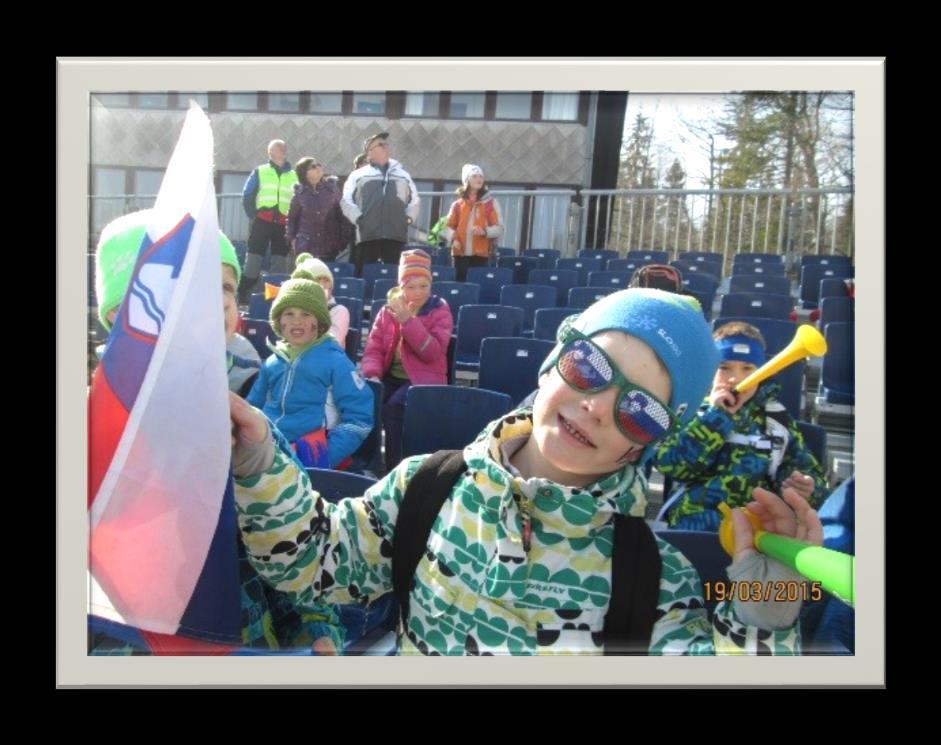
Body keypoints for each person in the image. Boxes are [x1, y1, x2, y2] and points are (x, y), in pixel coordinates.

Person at [229, 288, 823, 655]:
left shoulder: (655, 581)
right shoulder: (428, 488)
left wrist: (761, 619)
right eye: (589, 366)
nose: (597, 405)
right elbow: (315, 563)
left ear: (643, 446)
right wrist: (261, 461)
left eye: (639, 410)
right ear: (550, 364)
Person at [90, 209, 344, 654]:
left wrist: (317, 630)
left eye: (226, 287)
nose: (219, 301)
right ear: (122, 313)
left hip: (245, 645)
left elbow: (300, 554)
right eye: (189, 285)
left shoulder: (252, 432)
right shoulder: (89, 433)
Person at [654, 320, 828, 532]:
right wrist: (717, 417)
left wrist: (805, 486)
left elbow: (808, 471)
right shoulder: (692, 410)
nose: (736, 378)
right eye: (724, 368)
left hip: (759, 529)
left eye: (748, 369)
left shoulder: (777, 420)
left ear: (761, 373)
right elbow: (672, 465)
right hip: (695, 524)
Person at [246, 274, 373, 470]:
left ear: (320, 323)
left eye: (306, 314)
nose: (297, 321)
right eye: (289, 314)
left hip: (313, 458)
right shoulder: (272, 362)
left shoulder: (335, 362)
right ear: (279, 322)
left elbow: (360, 418)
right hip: (269, 452)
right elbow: (252, 408)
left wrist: (324, 455)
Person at [360, 249, 452, 473]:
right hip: (391, 377)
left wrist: (408, 321)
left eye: (424, 286)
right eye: (411, 286)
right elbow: (374, 348)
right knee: (366, 400)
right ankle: (368, 464)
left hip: (423, 379)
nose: (418, 292)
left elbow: (432, 352)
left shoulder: (439, 309)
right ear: (401, 286)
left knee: (394, 407)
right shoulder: (386, 310)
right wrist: (372, 374)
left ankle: (394, 469)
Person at [341, 131, 419, 276]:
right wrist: (358, 218)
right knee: (365, 275)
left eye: (386, 144)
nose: (385, 146)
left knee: (392, 278)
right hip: (367, 236)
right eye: (380, 145)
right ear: (369, 153)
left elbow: (414, 201)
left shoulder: (403, 174)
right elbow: (346, 200)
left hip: (395, 236)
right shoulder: (358, 175)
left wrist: (407, 219)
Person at [238, 139, 298, 303]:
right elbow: (247, 194)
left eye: (280, 148)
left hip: (283, 225)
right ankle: (243, 295)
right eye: (274, 149)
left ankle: (273, 299)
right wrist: (253, 215)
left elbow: (298, 201)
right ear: (270, 153)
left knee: (280, 264)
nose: (277, 151)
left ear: (284, 152)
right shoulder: (260, 171)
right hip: (262, 222)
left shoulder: (294, 175)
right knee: (253, 260)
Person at [441, 164, 504, 282]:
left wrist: (485, 231)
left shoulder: (490, 203)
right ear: (467, 180)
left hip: (481, 254)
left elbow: (500, 228)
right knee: (460, 286)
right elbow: (446, 228)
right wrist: (454, 240)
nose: (479, 179)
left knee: (477, 286)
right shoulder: (457, 204)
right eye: (474, 176)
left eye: (481, 176)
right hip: (460, 254)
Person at [285, 157, 349, 263]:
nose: (318, 168)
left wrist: (342, 240)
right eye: (313, 167)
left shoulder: (332, 189)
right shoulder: (299, 194)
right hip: (305, 247)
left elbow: (343, 216)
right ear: (304, 173)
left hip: (329, 247)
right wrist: (292, 239)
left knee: (326, 278)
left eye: (318, 164)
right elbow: (291, 219)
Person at [294, 252, 351, 349]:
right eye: (317, 280)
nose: (322, 285)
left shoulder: (339, 311)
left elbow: (331, 343)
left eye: (326, 280)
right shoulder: (295, 310)